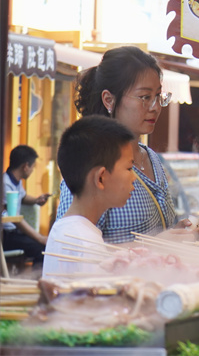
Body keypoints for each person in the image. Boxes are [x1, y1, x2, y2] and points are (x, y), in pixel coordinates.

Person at [56, 46, 192, 244]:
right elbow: (74, 246)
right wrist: (159, 244)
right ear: (109, 100)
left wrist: (176, 233)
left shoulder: (152, 158)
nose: (155, 107)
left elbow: (160, 229)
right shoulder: (92, 165)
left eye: (158, 96)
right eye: (145, 97)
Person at [42, 116, 137, 277]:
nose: (134, 177)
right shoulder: (86, 244)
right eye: (129, 168)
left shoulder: (64, 228)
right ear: (100, 178)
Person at [2, 145, 49, 266]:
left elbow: (22, 197)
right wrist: (39, 238)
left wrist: (37, 200)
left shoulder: (15, 181)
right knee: (41, 249)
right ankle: (35, 282)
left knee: (41, 245)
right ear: (25, 166)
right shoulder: (4, 183)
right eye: (33, 167)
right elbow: (14, 217)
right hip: (5, 234)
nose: (33, 170)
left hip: (13, 232)